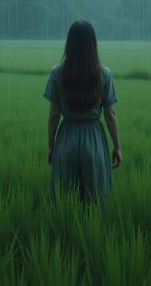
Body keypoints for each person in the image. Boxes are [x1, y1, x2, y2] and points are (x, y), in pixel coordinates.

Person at [43, 20, 122, 201]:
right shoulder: (104, 74)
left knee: (64, 198)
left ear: (69, 44)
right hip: (93, 138)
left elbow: (54, 115)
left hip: (66, 138)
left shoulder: (56, 73)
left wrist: (51, 146)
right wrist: (117, 147)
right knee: (95, 199)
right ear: (93, 44)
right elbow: (110, 115)